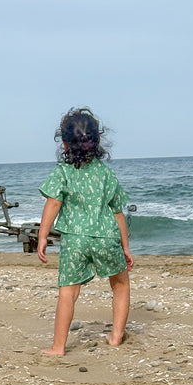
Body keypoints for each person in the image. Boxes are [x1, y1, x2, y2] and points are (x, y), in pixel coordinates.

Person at [36, 107, 133, 355]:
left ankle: (58, 347)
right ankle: (116, 336)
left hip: (75, 240)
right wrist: (125, 247)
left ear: (65, 143)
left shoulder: (63, 172)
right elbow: (117, 212)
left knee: (68, 291)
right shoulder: (105, 173)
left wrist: (43, 236)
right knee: (120, 284)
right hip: (106, 237)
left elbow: (53, 203)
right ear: (97, 141)